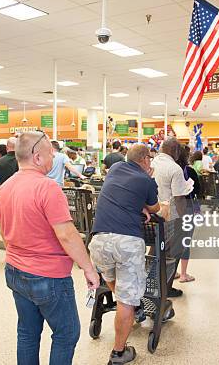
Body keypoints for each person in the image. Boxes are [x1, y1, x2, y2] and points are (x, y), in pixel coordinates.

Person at [0, 131, 99, 365]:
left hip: (15, 271)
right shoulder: (48, 188)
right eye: (50, 155)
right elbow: (67, 235)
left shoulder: (4, 189)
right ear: (37, 157)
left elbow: (4, 233)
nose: (53, 159)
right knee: (66, 334)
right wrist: (88, 269)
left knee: (27, 333)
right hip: (48, 276)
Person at [89, 144, 160, 364]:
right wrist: (147, 198)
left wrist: (137, 205)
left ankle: (126, 302)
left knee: (112, 280)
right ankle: (119, 353)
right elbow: (156, 207)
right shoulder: (146, 180)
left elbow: (120, 193)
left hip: (98, 242)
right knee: (127, 301)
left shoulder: (116, 168)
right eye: (150, 158)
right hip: (127, 242)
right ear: (146, 160)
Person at [151, 137, 192, 297]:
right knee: (172, 254)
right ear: (175, 151)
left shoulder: (151, 164)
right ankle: (166, 288)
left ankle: (152, 286)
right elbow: (179, 198)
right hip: (170, 217)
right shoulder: (174, 169)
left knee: (154, 252)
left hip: (152, 215)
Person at [175, 145, 201, 283]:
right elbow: (198, 190)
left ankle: (173, 272)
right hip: (188, 208)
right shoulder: (189, 171)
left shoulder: (170, 170)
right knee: (185, 241)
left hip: (172, 209)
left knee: (173, 241)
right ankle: (184, 274)